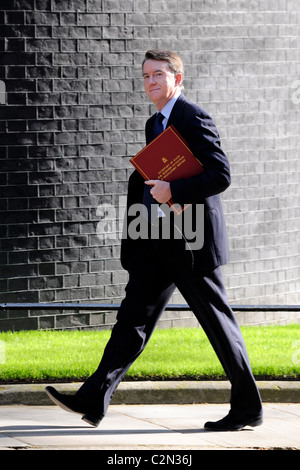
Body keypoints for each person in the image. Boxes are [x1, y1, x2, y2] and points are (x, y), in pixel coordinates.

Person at [46, 49, 263, 431]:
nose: (150, 82)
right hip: (159, 238)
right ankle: (93, 398)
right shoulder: (155, 122)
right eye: (145, 76)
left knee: (217, 323)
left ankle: (248, 408)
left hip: (193, 241)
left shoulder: (192, 117)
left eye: (158, 75)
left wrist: (173, 191)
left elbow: (220, 175)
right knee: (132, 318)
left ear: (177, 79)